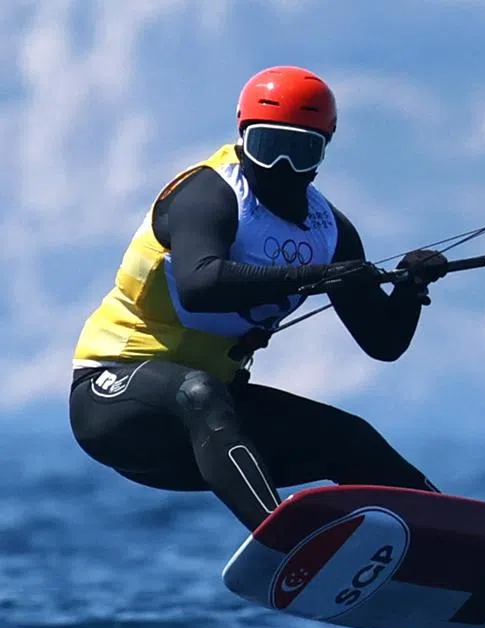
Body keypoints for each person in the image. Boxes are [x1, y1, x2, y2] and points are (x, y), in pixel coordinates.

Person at [69, 65, 447, 532]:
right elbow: (200, 285)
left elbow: (382, 343)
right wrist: (315, 276)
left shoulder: (330, 232)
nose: (282, 167)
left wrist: (410, 287)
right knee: (199, 391)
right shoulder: (208, 195)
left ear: (324, 150)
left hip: (205, 431)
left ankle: (464, 545)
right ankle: (283, 541)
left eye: (301, 150)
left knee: (351, 439)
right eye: (269, 147)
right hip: (115, 401)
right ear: (243, 135)